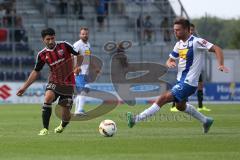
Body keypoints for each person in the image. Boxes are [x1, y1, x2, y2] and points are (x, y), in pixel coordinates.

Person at [127, 18, 229, 133]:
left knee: (163, 98)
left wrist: (220, 64)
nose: (175, 32)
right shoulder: (178, 44)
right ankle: (206, 120)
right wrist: (170, 62)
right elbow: (169, 60)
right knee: (180, 106)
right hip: (181, 81)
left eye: (178, 30)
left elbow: (217, 49)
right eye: (174, 30)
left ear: (186, 29)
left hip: (189, 82)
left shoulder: (196, 42)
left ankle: (136, 119)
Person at [16, 28, 82, 135]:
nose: (51, 41)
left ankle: (62, 125)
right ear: (43, 40)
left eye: (52, 38)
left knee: (66, 114)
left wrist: (77, 66)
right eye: (48, 39)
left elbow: (78, 54)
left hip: (68, 84)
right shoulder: (42, 54)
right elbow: (36, 71)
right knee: (48, 97)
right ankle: (45, 129)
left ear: (55, 37)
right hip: (54, 81)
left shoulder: (64, 45)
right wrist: (24, 87)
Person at [170, 23, 211, 112]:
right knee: (180, 87)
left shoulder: (197, 41)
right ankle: (174, 106)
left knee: (200, 86)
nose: (191, 31)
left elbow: (210, 48)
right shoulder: (181, 42)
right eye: (190, 30)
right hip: (186, 71)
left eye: (193, 30)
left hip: (197, 70)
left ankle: (200, 106)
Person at [73, 27, 99, 116]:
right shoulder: (77, 44)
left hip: (85, 71)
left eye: (86, 34)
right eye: (83, 34)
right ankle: (79, 109)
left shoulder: (88, 44)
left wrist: (95, 67)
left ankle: (77, 110)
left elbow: (88, 57)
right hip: (79, 71)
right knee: (85, 89)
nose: (85, 35)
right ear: (80, 35)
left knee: (82, 91)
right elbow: (73, 57)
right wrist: (75, 67)